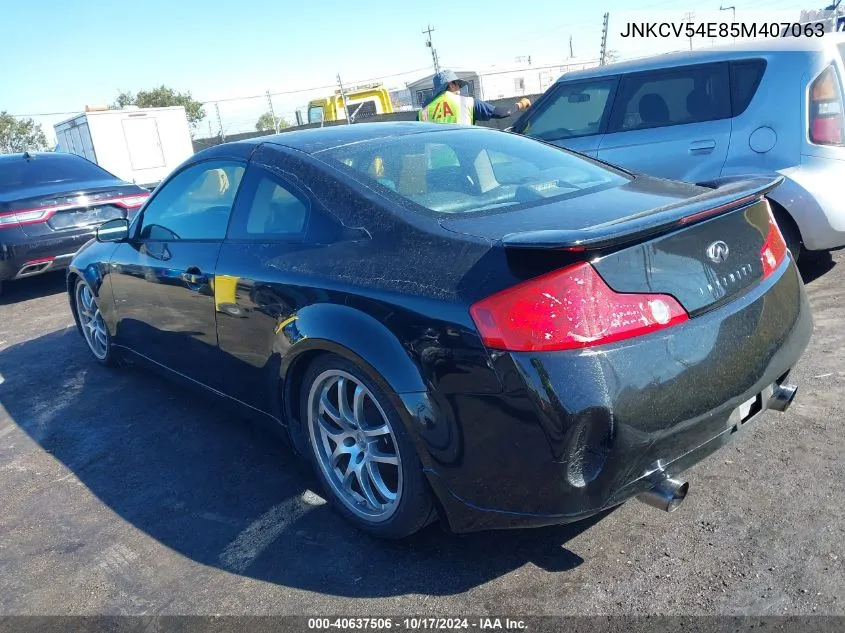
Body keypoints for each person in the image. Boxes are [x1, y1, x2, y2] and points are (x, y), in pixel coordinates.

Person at [418, 69, 531, 125]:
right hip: (464, 162)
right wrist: (521, 104)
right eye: (458, 85)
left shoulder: (423, 113)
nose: (459, 89)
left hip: (434, 167)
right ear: (451, 84)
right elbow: (503, 113)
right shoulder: (466, 103)